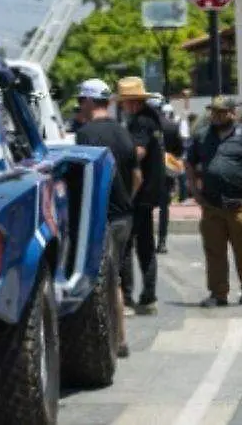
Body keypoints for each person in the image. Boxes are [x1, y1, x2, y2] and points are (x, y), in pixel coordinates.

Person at [186, 96, 242, 306]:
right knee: (214, 251)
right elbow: (189, 163)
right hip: (211, 205)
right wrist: (194, 191)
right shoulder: (202, 136)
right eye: (214, 112)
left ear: (232, 113)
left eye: (221, 112)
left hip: (238, 204)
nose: (216, 116)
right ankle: (218, 294)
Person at [73, 78, 136, 357]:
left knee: (105, 282)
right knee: (117, 277)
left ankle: (112, 340)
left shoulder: (85, 135)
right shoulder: (123, 133)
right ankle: (118, 338)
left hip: (103, 217)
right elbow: (137, 175)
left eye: (80, 101)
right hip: (124, 214)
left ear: (87, 101)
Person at [115, 77, 164, 315]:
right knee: (145, 245)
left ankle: (128, 297)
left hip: (139, 192)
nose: (122, 106)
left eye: (123, 102)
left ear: (132, 102)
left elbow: (139, 152)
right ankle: (148, 296)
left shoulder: (141, 122)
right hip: (150, 190)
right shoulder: (151, 118)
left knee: (128, 245)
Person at [157, 101, 184, 253]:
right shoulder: (172, 126)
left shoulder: (140, 124)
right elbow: (179, 150)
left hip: (146, 174)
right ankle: (162, 241)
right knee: (163, 208)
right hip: (166, 172)